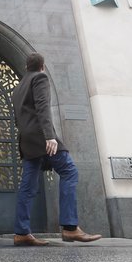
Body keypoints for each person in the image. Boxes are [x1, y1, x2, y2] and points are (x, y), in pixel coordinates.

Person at [11, 52, 102, 246]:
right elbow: (42, 106)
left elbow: (18, 118)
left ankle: (21, 233)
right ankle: (70, 228)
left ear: (27, 67)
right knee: (69, 171)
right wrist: (49, 136)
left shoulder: (17, 88)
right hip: (41, 137)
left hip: (26, 140)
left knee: (27, 186)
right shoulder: (40, 77)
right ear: (42, 66)